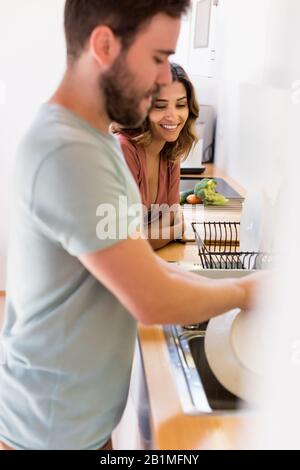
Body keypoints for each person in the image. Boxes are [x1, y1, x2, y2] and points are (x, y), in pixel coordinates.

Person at [0, 0, 258, 450]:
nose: (165, 76)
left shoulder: (92, 140)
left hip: (75, 424)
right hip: (48, 432)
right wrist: (248, 292)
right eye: (158, 57)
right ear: (104, 45)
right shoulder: (69, 151)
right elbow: (151, 298)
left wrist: (242, 283)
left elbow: (143, 262)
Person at [117, 62, 199, 250]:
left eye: (180, 105)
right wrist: (175, 230)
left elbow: (170, 214)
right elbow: (123, 242)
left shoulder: (171, 150)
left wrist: (147, 232)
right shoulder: (124, 150)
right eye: (160, 106)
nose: (172, 116)